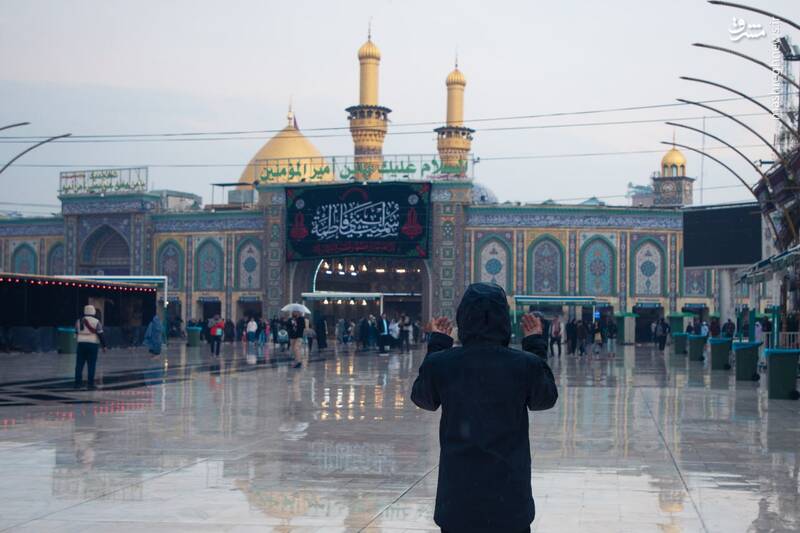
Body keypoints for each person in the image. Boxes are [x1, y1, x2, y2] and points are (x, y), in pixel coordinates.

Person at [411, 282, 558, 533]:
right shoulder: (524, 364)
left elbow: (423, 398)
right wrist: (535, 344)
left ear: (463, 318)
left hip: (458, 502)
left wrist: (438, 345)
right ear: (504, 320)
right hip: (509, 501)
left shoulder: (443, 364)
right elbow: (544, 399)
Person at [75, 305, 106, 390]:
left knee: (79, 365)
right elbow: (101, 334)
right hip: (93, 344)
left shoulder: (78, 321)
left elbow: (76, 332)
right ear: (93, 312)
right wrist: (104, 346)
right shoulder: (96, 322)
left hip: (81, 344)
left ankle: (77, 384)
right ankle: (90, 384)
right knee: (91, 365)